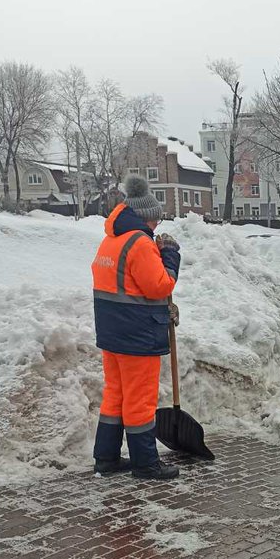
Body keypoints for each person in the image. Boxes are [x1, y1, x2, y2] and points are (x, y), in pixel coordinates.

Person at [91, 174, 181, 480]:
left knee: (115, 394)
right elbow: (159, 285)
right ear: (145, 217)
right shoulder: (140, 243)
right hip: (137, 335)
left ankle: (106, 459)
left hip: (112, 333)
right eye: (155, 221)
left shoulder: (111, 239)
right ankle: (146, 464)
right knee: (139, 399)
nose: (156, 227)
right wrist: (169, 255)